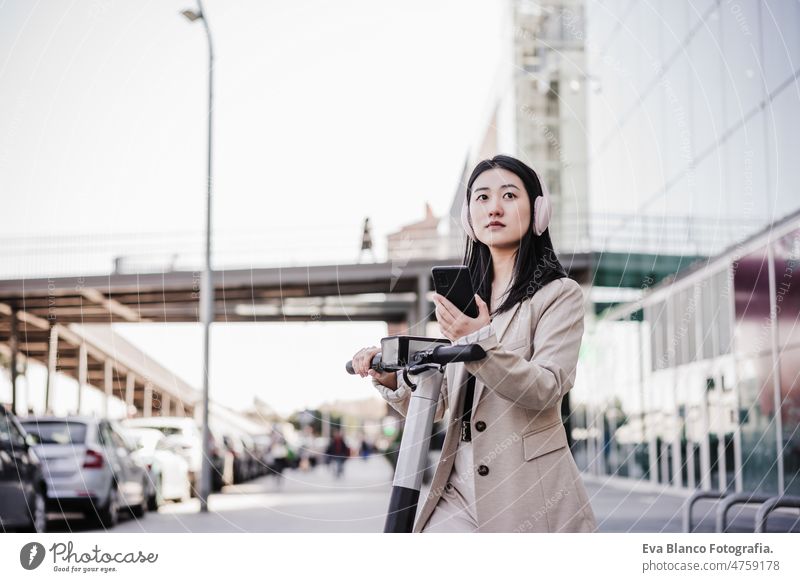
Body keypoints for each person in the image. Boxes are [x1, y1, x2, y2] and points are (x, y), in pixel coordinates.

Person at [351, 155, 598, 533]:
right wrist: (390, 380)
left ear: (538, 211)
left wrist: (477, 339)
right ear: (469, 216)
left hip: (525, 486)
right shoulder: (467, 299)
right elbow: (446, 402)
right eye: (482, 198)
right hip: (457, 486)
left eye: (509, 195)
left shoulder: (558, 295)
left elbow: (547, 389)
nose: (494, 207)